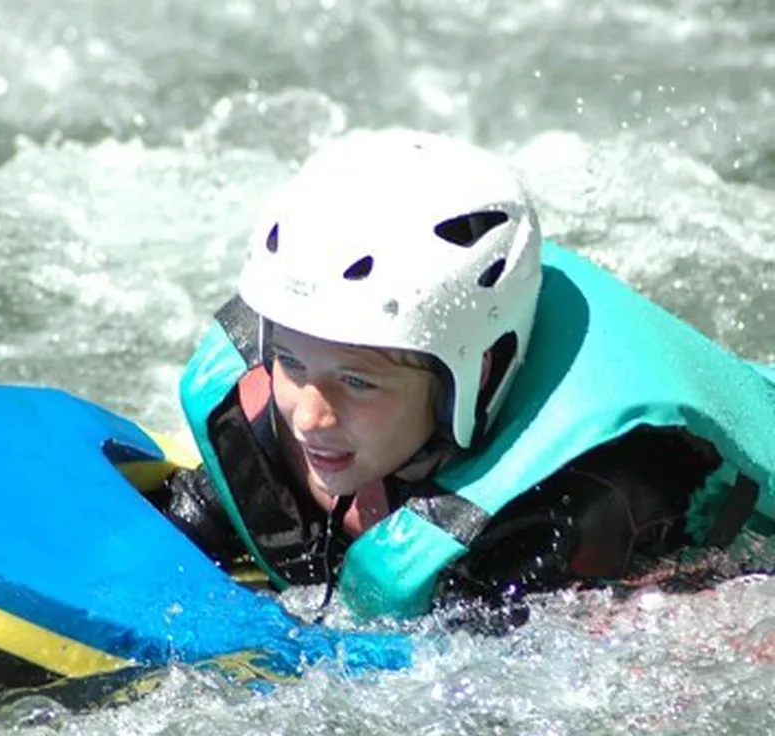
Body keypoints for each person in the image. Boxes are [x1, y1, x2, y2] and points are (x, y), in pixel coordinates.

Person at [153, 128, 775, 632]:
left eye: (358, 383)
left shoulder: (564, 510)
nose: (308, 416)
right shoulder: (283, 416)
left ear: (474, 378)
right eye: (290, 363)